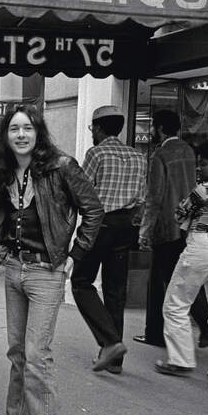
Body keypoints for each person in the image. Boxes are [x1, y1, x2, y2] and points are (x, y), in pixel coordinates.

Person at [0, 105, 103, 415]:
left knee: (37, 357)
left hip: (46, 272)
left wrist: (76, 255)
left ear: (38, 132)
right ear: (6, 135)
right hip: (15, 269)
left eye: (27, 128)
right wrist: (1, 250)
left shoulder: (61, 166)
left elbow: (93, 210)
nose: (21, 135)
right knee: (18, 353)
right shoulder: (5, 169)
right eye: (14, 129)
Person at [154, 139, 208, 390]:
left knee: (176, 304)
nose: (199, 168)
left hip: (201, 246)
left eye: (204, 164)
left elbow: (180, 214)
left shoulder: (202, 190)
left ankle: (180, 360)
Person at [71, 105, 147, 374]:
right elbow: (142, 198)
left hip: (100, 225)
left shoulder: (96, 153)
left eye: (93, 128)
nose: (93, 133)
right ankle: (115, 362)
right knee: (115, 291)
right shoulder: (138, 156)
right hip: (125, 226)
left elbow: (80, 190)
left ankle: (111, 342)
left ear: (99, 128)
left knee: (81, 282)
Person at [136, 110, 208, 348]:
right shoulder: (188, 150)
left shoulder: (160, 155)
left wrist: (144, 230)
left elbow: (154, 197)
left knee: (166, 281)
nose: (151, 130)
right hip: (186, 225)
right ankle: (159, 331)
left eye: (153, 126)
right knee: (181, 277)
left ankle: (188, 328)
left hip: (166, 226)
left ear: (160, 128)